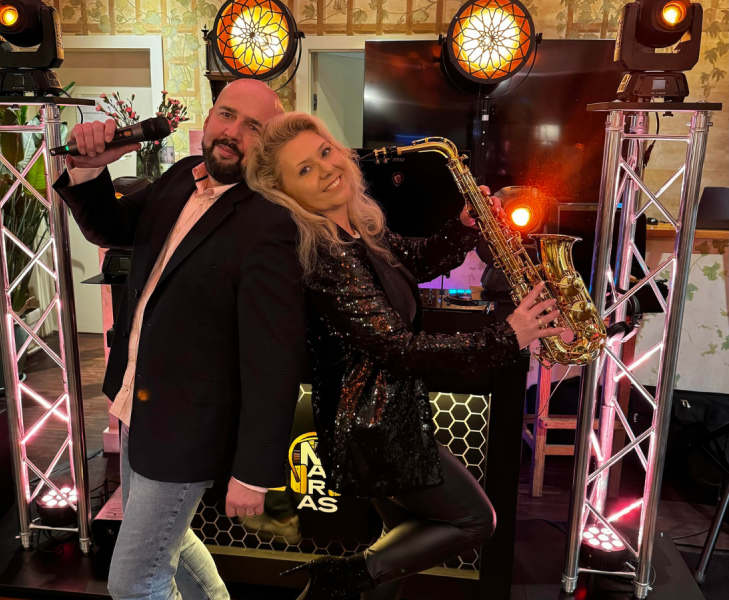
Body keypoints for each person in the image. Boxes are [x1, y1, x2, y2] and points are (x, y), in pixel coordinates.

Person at [245, 112, 568, 600]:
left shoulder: (357, 229)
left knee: (399, 548)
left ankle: (347, 580)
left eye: (325, 152)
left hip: (384, 421)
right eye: (304, 170)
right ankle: (338, 576)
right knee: (475, 521)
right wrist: (509, 335)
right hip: (372, 432)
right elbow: (401, 350)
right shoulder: (328, 256)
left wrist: (463, 227)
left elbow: (414, 260)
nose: (326, 169)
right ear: (285, 193)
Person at [52, 80, 307, 600]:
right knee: (168, 539)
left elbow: (273, 359)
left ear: (269, 143)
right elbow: (112, 228)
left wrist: (255, 472)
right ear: (209, 119)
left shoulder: (270, 221)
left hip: (187, 429)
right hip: (136, 403)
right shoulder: (179, 178)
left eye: (253, 127)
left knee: (134, 582)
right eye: (226, 115)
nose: (232, 132)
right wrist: (92, 168)